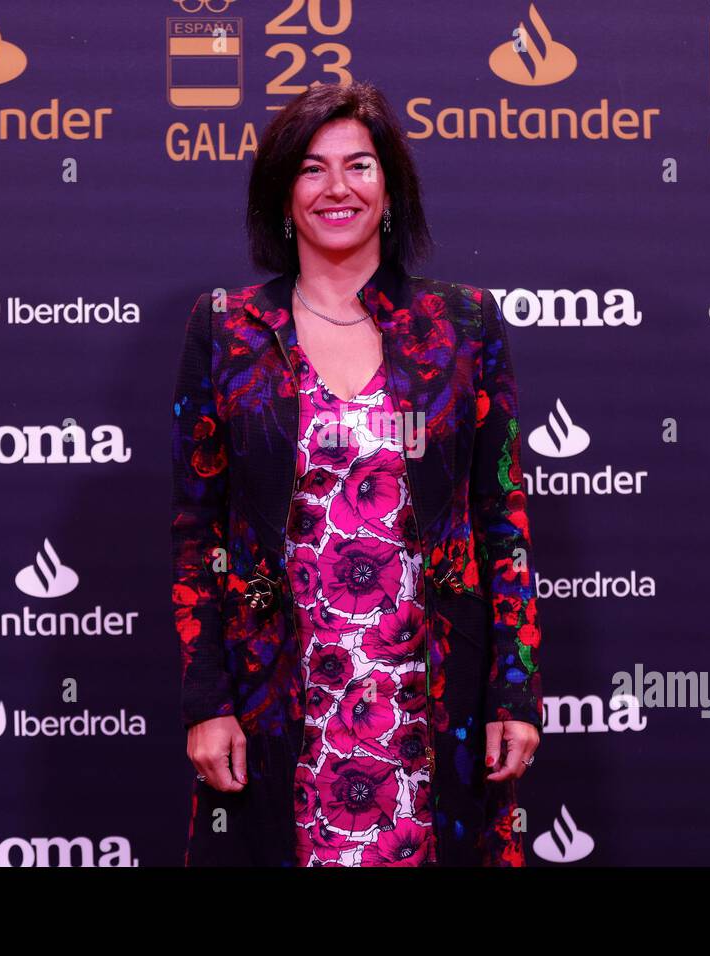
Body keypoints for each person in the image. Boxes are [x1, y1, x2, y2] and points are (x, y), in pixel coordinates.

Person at [171, 80, 543, 867]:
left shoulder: (465, 325)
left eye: (359, 166)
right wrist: (206, 700)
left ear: (391, 189)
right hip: (280, 700)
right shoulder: (226, 329)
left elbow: (501, 519)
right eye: (312, 169)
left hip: (431, 699)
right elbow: (197, 533)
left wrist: (514, 688)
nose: (336, 188)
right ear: (283, 195)